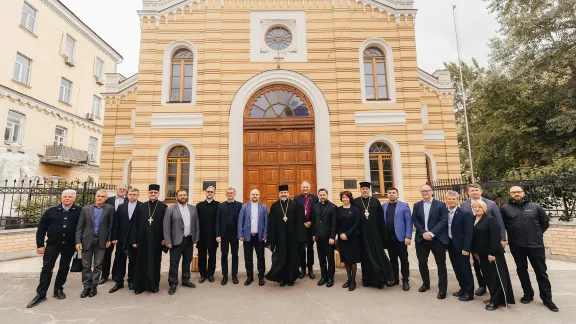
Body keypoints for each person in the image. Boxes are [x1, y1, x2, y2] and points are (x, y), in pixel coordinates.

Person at [501, 186, 558, 312]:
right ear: (510, 194)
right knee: (522, 270)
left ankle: (547, 298)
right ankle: (528, 294)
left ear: (523, 193)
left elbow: (545, 223)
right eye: (514, 192)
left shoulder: (535, 207)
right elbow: (502, 225)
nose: (517, 194)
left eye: (519, 191)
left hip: (535, 245)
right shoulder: (505, 209)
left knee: (541, 272)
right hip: (517, 246)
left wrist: (537, 234)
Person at [27, 190, 81, 308]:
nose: (67, 198)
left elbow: (81, 228)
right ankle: (41, 294)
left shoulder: (79, 211)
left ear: (74, 198)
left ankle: (58, 289)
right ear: (61, 198)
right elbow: (41, 229)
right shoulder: (51, 211)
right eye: (65, 197)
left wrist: (79, 243)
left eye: (69, 197)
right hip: (52, 245)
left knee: (64, 267)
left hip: (69, 246)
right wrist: (40, 245)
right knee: (47, 268)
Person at [460, 183, 506, 297]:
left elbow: (499, 221)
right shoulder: (464, 205)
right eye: (472, 190)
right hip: (474, 243)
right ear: (468, 193)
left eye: (476, 190)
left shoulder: (490, 204)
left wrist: (503, 238)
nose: (474, 192)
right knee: (477, 265)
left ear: (481, 191)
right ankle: (482, 285)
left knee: (491, 267)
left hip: (489, 242)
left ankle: (495, 291)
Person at [471, 199, 515, 311]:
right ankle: (494, 298)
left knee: (495, 278)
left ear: (484, 208)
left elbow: (495, 238)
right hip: (480, 254)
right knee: (487, 277)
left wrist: (492, 253)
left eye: (479, 207)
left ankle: (496, 302)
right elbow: (474, 238)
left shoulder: (491, 220)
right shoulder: (473, 219)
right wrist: (474, 251)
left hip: (493, 254)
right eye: (475, 207)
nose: (477, 209)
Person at [352, 181, 393, 289]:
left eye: (366, 189)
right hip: (362, 234)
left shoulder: (375, 201)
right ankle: (367, 280)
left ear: (369, 190)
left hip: (375, 234)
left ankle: (381, 278)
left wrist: (382, 235)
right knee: (365, 257)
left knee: (378, 255)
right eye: (363, 189)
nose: (365, 191)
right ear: (360, 190)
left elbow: (380, 219)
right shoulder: (356, 202)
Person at [75, 189, 114, 298]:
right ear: (95, 196)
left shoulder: (110, 209)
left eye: (102, 196)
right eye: (98, 196)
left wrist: (109, 239)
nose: (100, 198)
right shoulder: (86, 209)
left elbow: (110, 226)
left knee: (98, 265)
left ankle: (93, 287)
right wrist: (77, 241)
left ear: (106, 198)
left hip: (101, 241)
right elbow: (80, 226)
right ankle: (86, 287)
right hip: (86, 240)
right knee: (86, 265)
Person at [412, 184, 449, 299]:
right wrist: (424, 233)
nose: (425, 192)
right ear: (421, 193)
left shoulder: (440, 205)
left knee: (441, 264)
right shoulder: (417, 205)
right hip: (421, 239)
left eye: (427, 190)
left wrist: (431, 233)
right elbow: (415, 220)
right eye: (423, 191)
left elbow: (443, 221)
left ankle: (442, 289)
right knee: (422, 262)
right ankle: (426, 283)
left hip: (437, 239)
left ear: (431, 191)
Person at [265, 185, 306, 286]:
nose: (283, 194)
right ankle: (282, 278)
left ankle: (291, 278)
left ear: (288, 194)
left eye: (285, 193)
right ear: (279, 194)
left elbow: (299, 222)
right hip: (280, 238)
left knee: (292, 257)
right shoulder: (274, 206)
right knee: (281, 258)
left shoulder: (293, 205)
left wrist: (300, 237)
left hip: (292, 237)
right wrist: (272, 238)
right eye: (281, 193)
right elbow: (272, 223)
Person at [130, 184, 168, 294]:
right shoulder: (141, 207)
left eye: (155, 193)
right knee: (141, 263)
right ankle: (140, 286)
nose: (153, 194)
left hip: (156, 240)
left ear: (158, 194)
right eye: (151, 192)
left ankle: (153, 285)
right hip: (142, 240)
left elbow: (165, 226)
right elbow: (135, 225)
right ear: (148, 193)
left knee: (154, 263)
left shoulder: (163, 207)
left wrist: (164, 239)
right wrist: (134, 240)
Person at [164, 189, 199, 295]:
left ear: (187, 196)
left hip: (189, 239)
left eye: (184, 195)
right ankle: (173, 283)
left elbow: (196, 224)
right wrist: (168, 241)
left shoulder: (193, 208)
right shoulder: (170, 209)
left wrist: (196, 237)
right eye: (180, 195)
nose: (182, 197)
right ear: (176, 197)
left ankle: (185, 280)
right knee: (174, 263)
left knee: (187, 261)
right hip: (176, 240)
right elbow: (166, 226)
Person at [109, 188, 140, 293]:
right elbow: (116, 223)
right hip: (121, 239)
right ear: (127, 195)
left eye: (134, 194)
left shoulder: (142, 206)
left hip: (134, 239)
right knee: (120, 261)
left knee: (133, 261)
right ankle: (119, 282)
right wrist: (114, 237)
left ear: (138, 195)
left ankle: (131, 281)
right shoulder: (121, 207)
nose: (132, 196)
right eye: (130, 194)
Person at [445, 191, 475, 301]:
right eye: (449, 199)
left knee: (465, 269)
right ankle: (462, 288)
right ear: (446, 200)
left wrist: (466, 248)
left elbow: (468, 232)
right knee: (457, 268)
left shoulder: (464, 214)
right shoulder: (445, 213)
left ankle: (469, 292)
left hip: (462, 247)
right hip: (451, 245)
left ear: (457, 200)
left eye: (453, 199)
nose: (451, 201)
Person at [381, 187, 412, 291]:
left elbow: (408, 222)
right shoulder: (384, 206)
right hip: (389, 238)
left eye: (393, 193)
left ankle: (405, 280)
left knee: (404, 260)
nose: (391, 194)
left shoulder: (404, 206)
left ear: (397, 195)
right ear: (387, 195)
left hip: (401, 238)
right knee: (393, 259)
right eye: (389, 193)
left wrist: (408, 236)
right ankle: (395, 278)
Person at [238, 189, 268, 286]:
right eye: (253, 194)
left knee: (261, 258)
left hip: (259, 237)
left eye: (256, 194)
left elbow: (266, 222)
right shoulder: (244, 207)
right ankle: (249, 276)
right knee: (248, 258)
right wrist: (240, 234)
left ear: (259, 196)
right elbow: (240, 221)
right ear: (250, 195)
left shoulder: (263, 207)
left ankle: (261, 277)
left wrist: (265, 235)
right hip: (247, 236)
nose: (255, 196)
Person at [101, 184, 128, 284]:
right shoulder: (109, 200)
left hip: (122, 232)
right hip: (109, 231)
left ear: (126, 191)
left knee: (120, 255)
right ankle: (104, 275)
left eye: (124, 189)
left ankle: (116, 275)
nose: (121, 190)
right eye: (120, 189)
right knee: (106, 254)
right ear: (116, 190)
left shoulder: (128, 201)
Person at [216, 187, 242, 285]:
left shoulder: (240, 205)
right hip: (224, 234)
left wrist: (241, 234)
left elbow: (242, 220)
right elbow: (217, 221)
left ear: (235, 194)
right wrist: (218, 235)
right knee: (224, 255)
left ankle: (234, 275)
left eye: (231, 193)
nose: (230, 194)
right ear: (226, 195)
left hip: (235, 234)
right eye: (228, 193)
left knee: (235, 255)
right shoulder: (221, 206)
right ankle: (225, 276)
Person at [312, 188, 338, 287]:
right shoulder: (315, 207)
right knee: (321, 259)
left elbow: (334, 223)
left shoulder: (333, 207)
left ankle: (331, 278)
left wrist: (332, 237)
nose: (322, 196)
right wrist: (314, 234)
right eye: (320, 195)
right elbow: (314, 222)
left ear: (327, 195)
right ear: (318, 196)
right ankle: (324, 277)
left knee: (330, 259)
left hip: (328, 238)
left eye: (324, 195)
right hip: (318, 237)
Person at [336, 191, 361, 291]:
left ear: (350, 198)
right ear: (341, 199)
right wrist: (341, 233)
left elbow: (357, 223)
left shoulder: (355, 209)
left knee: (352, 260)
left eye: (347, 197)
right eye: (343, 197)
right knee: (346, 259)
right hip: (342, 238)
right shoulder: (339, 209)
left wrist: (347, 234)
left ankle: (353, 281)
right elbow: (337, 223)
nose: (345, 199)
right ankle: (349, 279)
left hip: (353, 237)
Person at [294, 181, 319, 279]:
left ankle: (310, 269)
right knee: (301, 250)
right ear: (301, 188)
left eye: (307, 187)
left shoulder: (315, 198)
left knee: (310, 249)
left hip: (311, 227)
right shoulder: (297, 198)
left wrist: (311, 222)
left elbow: (317, 212)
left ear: (310, 187)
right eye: (303, 187)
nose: (305, 189)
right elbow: (295, 213)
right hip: (301, 227)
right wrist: (302, 223)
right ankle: (303, 269)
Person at [196, 186, 219, 283]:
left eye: (211, 192)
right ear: (205, 193)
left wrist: (218, 235)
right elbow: (196, 222)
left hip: (213, 235)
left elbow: (219, 221)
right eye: (208, 191)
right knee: (202, 256)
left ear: (214, 193)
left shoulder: (218, 205)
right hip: (202, 235)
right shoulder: (199, 205)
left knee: (212, 256)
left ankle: (210, 274)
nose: (209, 193)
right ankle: (202, 275)